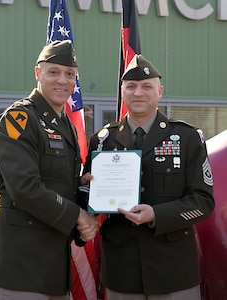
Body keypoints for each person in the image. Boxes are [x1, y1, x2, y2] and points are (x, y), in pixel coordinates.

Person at [81, 54, 215, 300]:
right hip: (122, 271)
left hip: (173, 271)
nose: (138, 93)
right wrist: (85, 190)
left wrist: (156, 215)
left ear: (160, 91)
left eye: (146, 87)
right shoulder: (102, 140)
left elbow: (203, 202)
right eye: (131, 87)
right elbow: (87, 197)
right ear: (123, 92)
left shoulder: (187, 138)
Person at [0, 40, 98, 300]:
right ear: (38, 73)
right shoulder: (18, 119)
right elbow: (25, 188)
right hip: (20, 261)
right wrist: (78, 215)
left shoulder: (65, 125)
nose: (62, 80)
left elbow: (56, 183)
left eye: (69, 74)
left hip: (52, 262)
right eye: (54, 72)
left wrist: (83, 186)